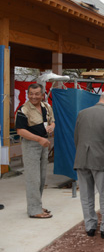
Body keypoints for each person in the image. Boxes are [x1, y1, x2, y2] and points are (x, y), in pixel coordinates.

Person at [73, 90, 104, 238]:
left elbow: (77, 137)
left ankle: (90, 226)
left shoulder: (82, 113)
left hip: (81, 158)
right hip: (100, 158)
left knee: (86, 195)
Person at [15, 83, 55, 219]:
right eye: (31, 94)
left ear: (42, 94)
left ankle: (36, 204)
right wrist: (39, 139)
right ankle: (33, 209)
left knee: (42, 177)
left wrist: (51, 127)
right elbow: (20, 130)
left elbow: (52, 121)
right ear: (27, 94)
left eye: (37, 94)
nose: (34, 96)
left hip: (43, 144)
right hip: (31, 144)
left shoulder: (46, 107)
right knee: (33, 178)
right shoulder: (23, 110)